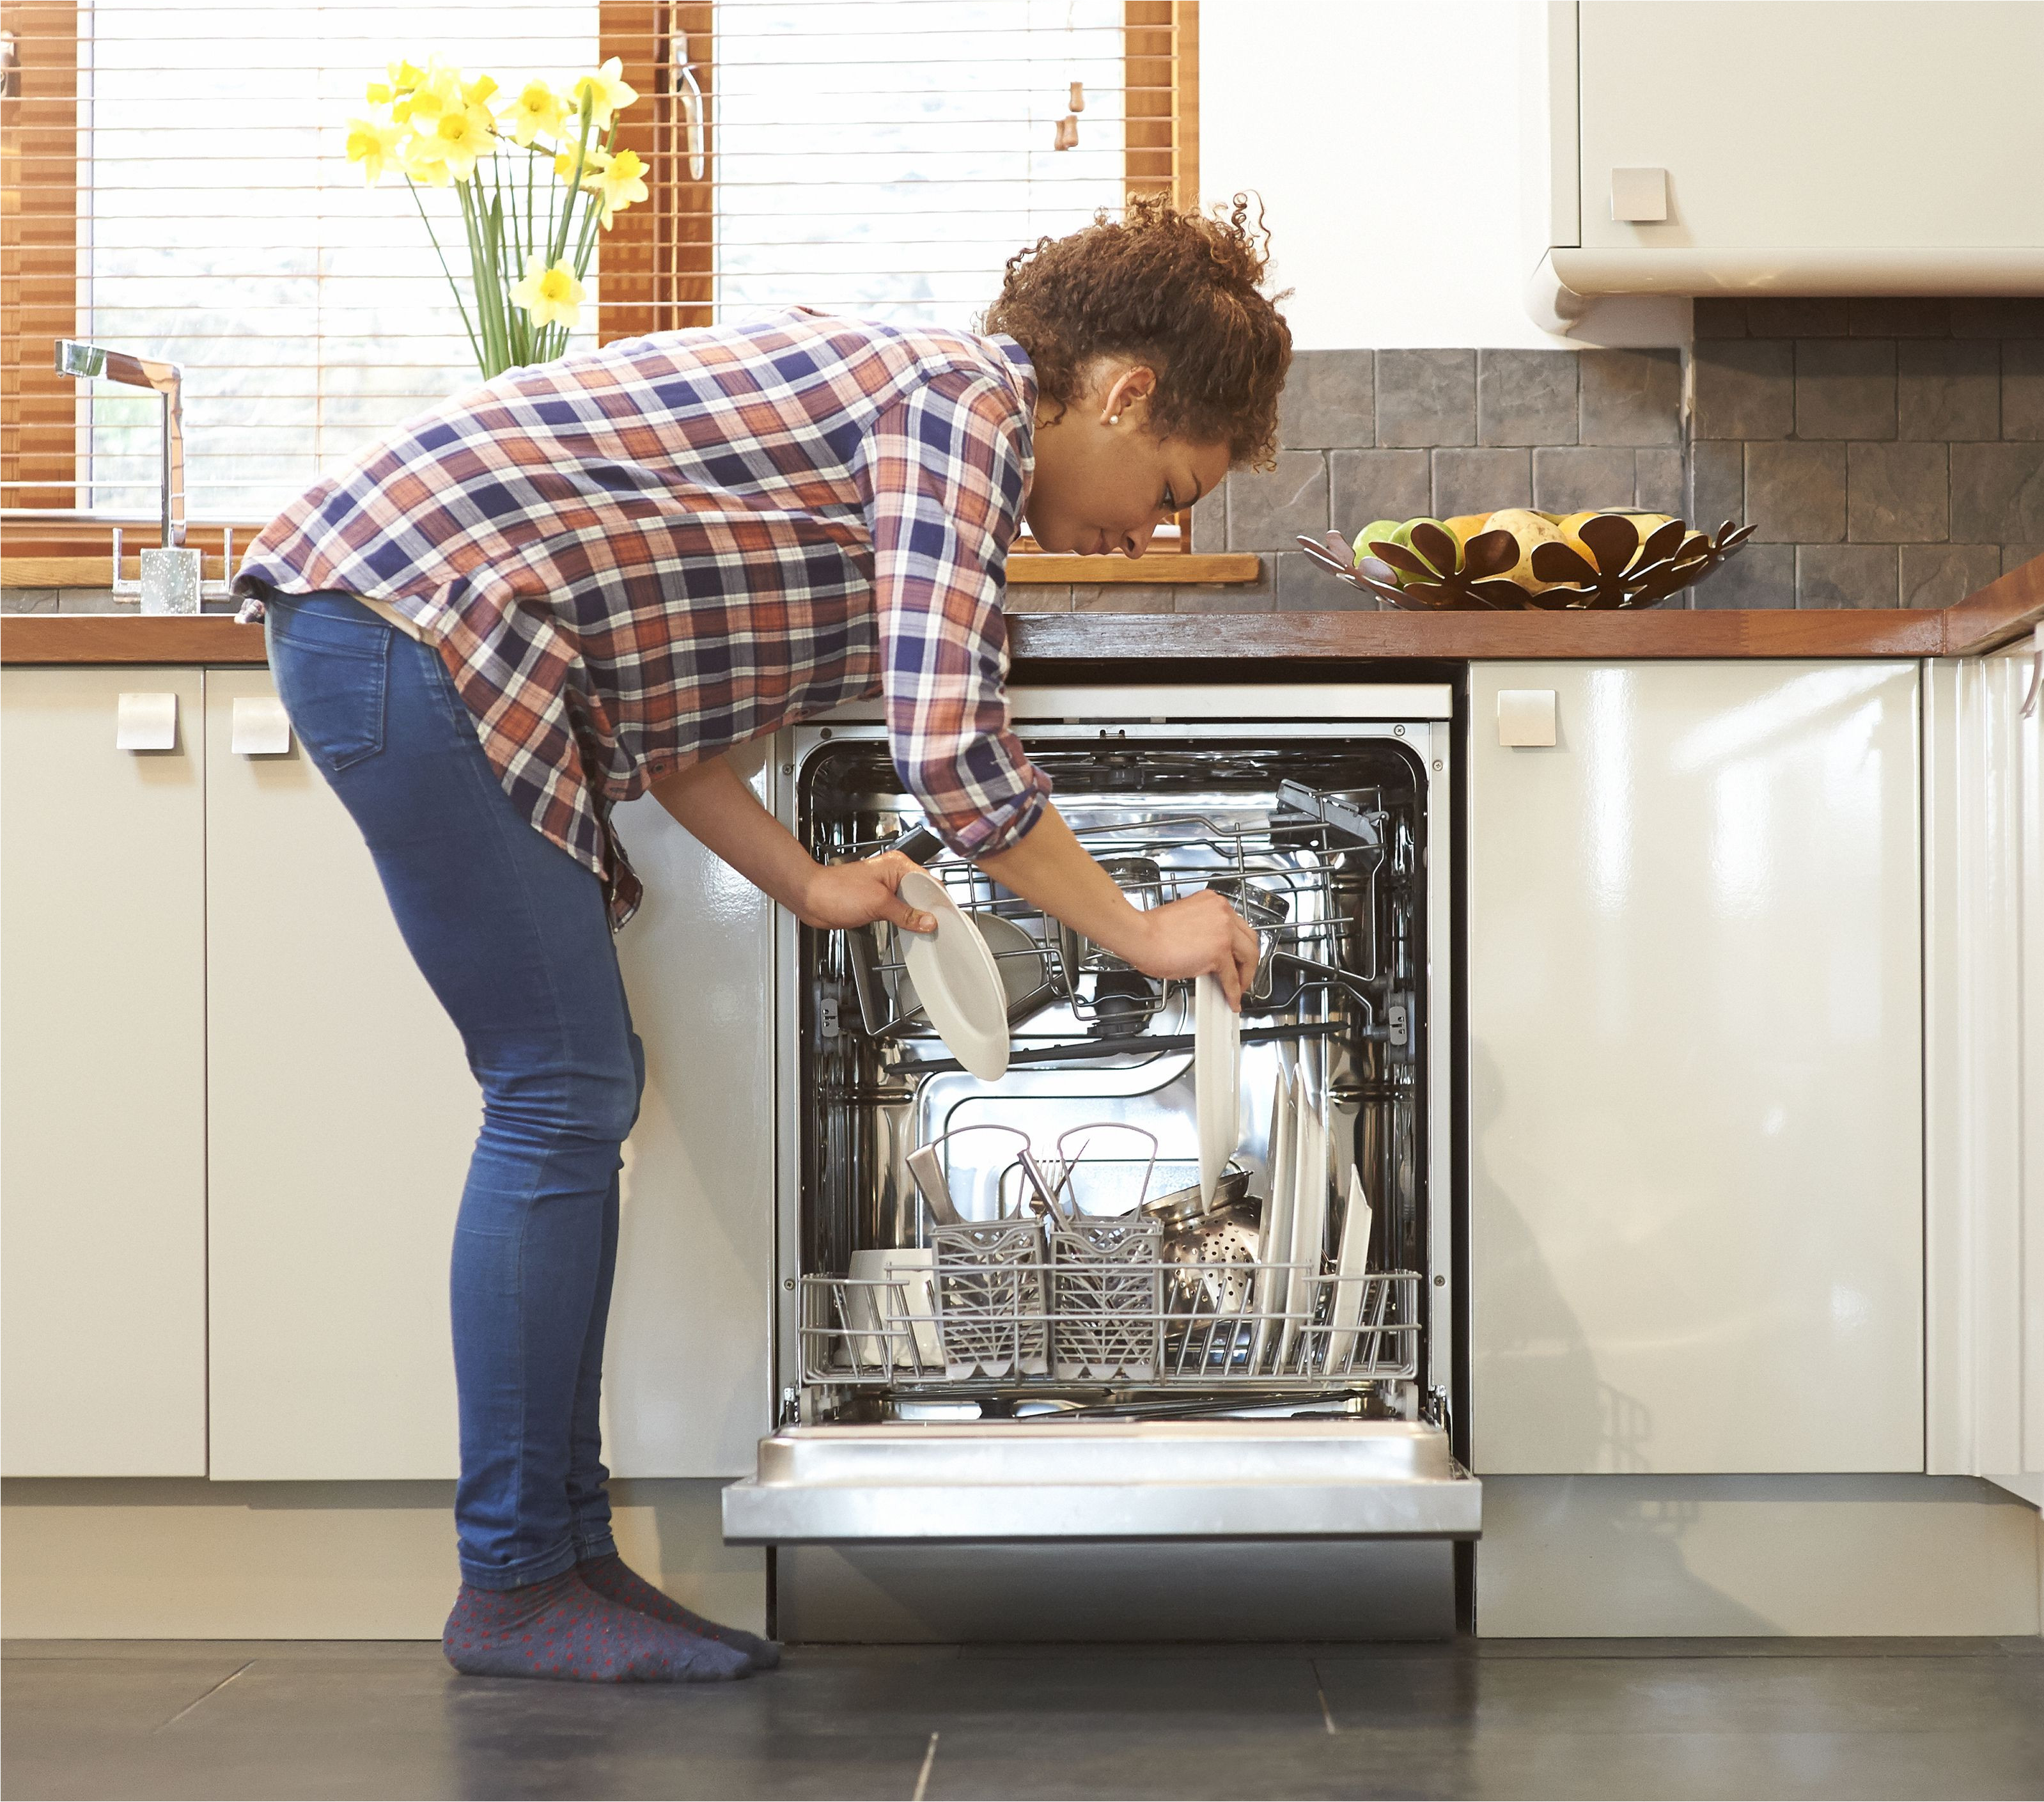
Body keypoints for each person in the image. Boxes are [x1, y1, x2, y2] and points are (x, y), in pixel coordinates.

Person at [229, 194, 1291, 1684]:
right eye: (1170, 479)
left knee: (572, 1089)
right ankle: (518, 1581)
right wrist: (1142, 931)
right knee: (558, 1093)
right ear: (1122, 393)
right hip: (412, 620)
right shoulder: (963, 405)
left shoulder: (912, 424)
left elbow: (668, 707)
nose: (1150, 524)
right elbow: (950, 747)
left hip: (415, 623)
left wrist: (802, 879)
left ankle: (562, 1557)